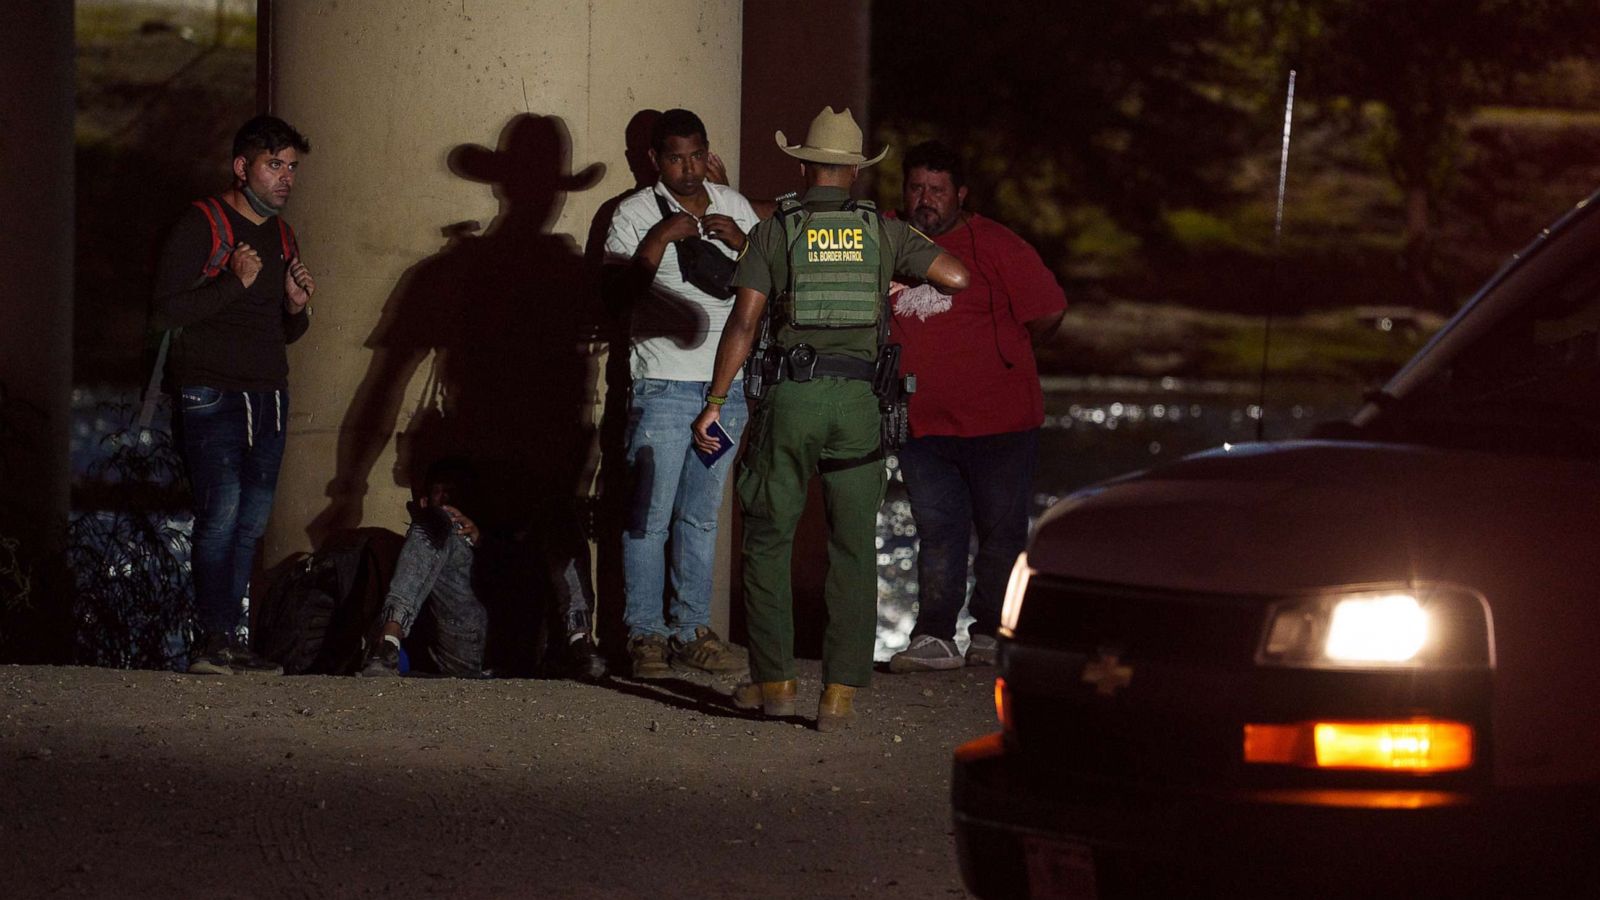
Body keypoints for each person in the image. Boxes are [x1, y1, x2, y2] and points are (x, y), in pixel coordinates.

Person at [691, 107, 970, 731]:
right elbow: (956, 275)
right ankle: (839, 695)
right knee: (852, 549)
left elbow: (743, 322)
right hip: (859, 408)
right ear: (856, 171)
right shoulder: (884, 231)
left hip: (793, 401)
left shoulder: (777, 228)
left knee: (768, 540)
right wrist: (894, 289)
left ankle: (776, 684)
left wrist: (715, 400)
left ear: (804, 164)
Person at [884, 141, 1065, 673]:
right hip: (923, 424)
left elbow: (1049, 312)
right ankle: (934, 635)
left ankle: (990, 632)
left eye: (937, 191)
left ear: (960, 195)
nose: (925, 200)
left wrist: (1007, 357)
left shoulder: (999, 245)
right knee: (937, 530)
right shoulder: (887, 235)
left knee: (1002, 532)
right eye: (916, 187)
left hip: (1002, 423)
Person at [152, 115, 316, 676]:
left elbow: (280, 331)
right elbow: (165, 312)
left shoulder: (282, 234)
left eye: (292, 167)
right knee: (219, 516)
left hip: (268, 394)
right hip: (210, 392)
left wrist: (296, 307)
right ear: (242, 166)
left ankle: (233, 639)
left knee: (250, 523)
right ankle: (211, 639)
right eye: (275, 165)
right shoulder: (203, 223)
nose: (286, 178)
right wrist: (232, 282)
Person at [605, 109, 760, 678]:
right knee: (648, 514)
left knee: (700, 515)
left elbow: (770, 281)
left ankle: (692, 628)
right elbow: (616, 295)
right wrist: (659, 238)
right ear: (654, 160)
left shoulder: (732, 204)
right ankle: (645, 633)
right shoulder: (633, 213)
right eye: (676, 157)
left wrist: (743, 242)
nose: (690, 168)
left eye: (697, 155)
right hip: (663, 386)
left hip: (728, 389)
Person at [359, 458, 491, 677]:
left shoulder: (486, 539)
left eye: (453, 491)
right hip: (426, 649)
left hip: (468, 648)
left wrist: (480, 542)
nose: (446, 498)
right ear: (423, 500)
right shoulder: (418, 535)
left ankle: (389, 638)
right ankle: (389, 645)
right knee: (433, 521)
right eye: (438, 491)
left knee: (440, 520)